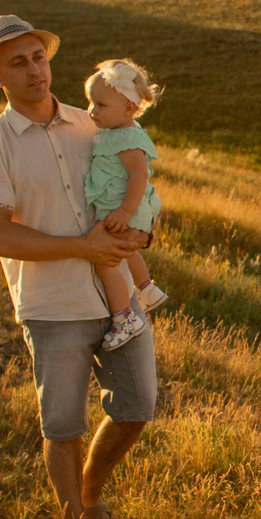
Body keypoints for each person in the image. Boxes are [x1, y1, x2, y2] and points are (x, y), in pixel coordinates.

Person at [0, 14, 159, 519]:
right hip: (53, 307)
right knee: (64, 424)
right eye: (17, 63)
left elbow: (137, 181)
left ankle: (92, 497)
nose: (33, 70)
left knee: (138, 407)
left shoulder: (95, 123)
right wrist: (82, 248)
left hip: (119, 296)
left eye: (38, 57)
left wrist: (142, 228)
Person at [83, 57, 170, 351]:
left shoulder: (128, 137)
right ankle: (146, 288)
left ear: (129, 108)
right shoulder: (114, 132)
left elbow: (138, 175)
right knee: (122, 250)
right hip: (122, 210)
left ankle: (124, 317)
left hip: (126, 210)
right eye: (91, 102)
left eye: (100, 105)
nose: (92, 110)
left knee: (106, 260)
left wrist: (124, 211)